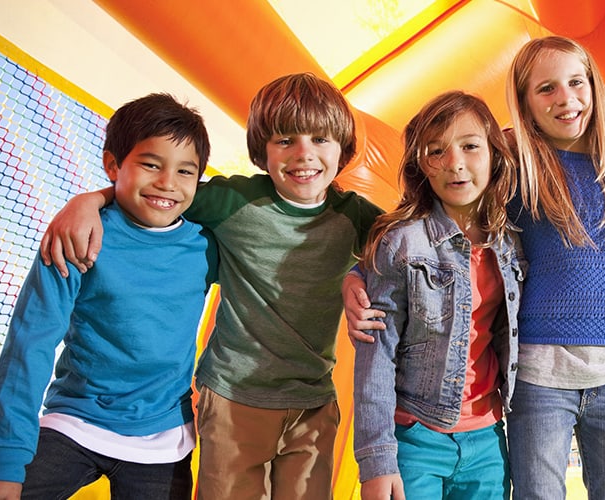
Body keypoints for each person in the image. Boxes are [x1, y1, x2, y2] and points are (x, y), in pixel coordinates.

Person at [38, 73, 383, 499]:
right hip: (235, 396)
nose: (303, 155)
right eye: (285, 140)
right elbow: (162, 191)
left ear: (343, 149)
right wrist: (89, 200)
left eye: (320, 140)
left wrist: (358, 275)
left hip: (313, 399)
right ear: (262, 151)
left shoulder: (356, 216)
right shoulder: (234, 200)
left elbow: (406, 248)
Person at [343, 36, 605, 500]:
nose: (566, 99)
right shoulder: (521, 166)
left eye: (575, 82)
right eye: (546, 89)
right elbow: (398, 251)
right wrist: (353, 276)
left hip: (565, 394)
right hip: (517, 386)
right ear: (524, 106)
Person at [0, 93, 217, 500]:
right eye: (150, 164)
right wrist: (3, 464)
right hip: (75, 421)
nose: (168, 182)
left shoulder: (206, 245)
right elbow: (29, 343)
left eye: (185, 171)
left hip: (163, 436)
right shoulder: (78, 237)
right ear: (113, 165)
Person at [353, 91, 523, 500]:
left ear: (494, 155)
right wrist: (377, 460)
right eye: (436, 151)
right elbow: (376, 356)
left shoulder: (514, 242)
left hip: (487, 437)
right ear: (421, 166)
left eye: (469, 146)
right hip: (414, 436)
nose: (455, 163)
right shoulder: (402, 244)